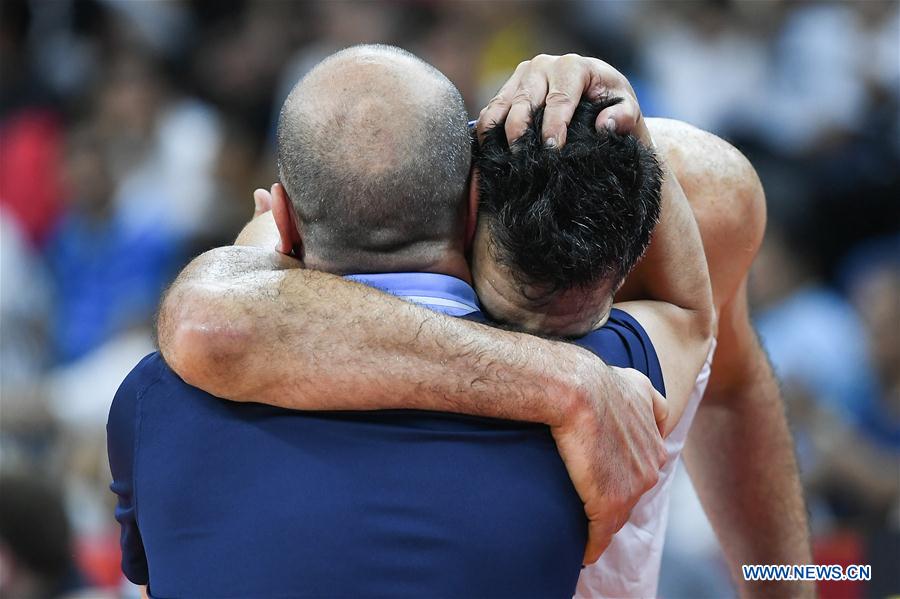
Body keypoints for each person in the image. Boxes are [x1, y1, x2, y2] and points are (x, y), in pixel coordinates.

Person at [158, 52, 813, 597]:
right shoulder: (351, 213)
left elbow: (727, 383)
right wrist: (568, 378)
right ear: (467, 205)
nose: (539, 338)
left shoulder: (704, 196)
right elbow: (211, 320)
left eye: (575, 331)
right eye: (502, 312)